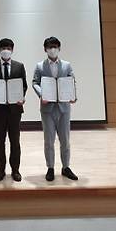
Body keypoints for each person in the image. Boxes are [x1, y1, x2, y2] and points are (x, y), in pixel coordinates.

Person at [32, 36, 78, 181]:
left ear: (59, 48)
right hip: (47, 108)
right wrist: (42, 94)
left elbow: (72, 81)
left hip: (64, 108)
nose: (53, 49)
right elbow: (35, 82)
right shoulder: (40, 66)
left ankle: (66, 167)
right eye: (50, 47)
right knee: (49, 140)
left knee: (65, 140)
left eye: (55, 47)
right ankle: (50, 168)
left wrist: (73, 96)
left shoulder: (67, 65)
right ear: (45, 49)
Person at [0, 38, 28, 182]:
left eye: (8, 48)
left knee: (15, 141)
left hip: (15, 109)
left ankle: (15, 170)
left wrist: (21, 97)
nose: (6, 50)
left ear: (12, 50)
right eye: (3, 48)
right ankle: (1, 170)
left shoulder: (19, 66)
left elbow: (24, 85)